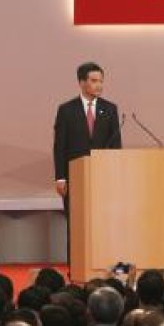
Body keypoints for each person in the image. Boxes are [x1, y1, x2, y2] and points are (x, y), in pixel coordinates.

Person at [52, 62, 121, 266]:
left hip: (103, 180)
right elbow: (60, 146)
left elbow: (115, 145)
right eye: (94, 81)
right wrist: (60, 177)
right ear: (82, 82)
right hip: (75, 179)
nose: (99, 85)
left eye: (101, 81)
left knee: (103, 226)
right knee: (76, 226)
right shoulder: (66, 110)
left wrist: (115, 175)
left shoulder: (110, 109)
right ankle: (76, 268)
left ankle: (104, 267)